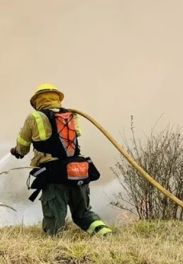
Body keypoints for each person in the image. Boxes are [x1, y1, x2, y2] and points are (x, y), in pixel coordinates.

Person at [9, 83, 112, 236]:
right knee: (83, 213)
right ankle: (103, 232)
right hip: (78, 170)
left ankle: (54, 247)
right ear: (57, 98)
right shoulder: (71, 115)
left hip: (54, 175)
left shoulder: (35, 117)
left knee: (54, 220)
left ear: (37, 100)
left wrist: (17, 151)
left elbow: (23, 145)